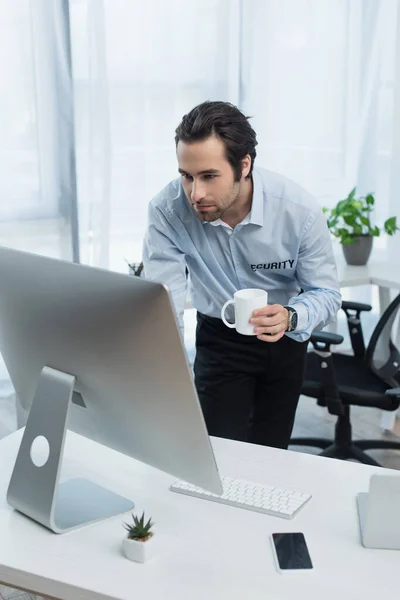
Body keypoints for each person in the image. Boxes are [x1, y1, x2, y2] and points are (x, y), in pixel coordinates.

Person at [142, 100, 341, 449]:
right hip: (219, 340)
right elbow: (163, 300)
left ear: (244, 165)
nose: (195, 193)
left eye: (209, 176)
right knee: (220, 455)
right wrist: (163, 375)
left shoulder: (299, 211)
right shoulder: (167, 210)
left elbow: (326, 294)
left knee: (270, 454)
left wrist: (292, 316)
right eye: (186, 176)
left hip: (284, 338)